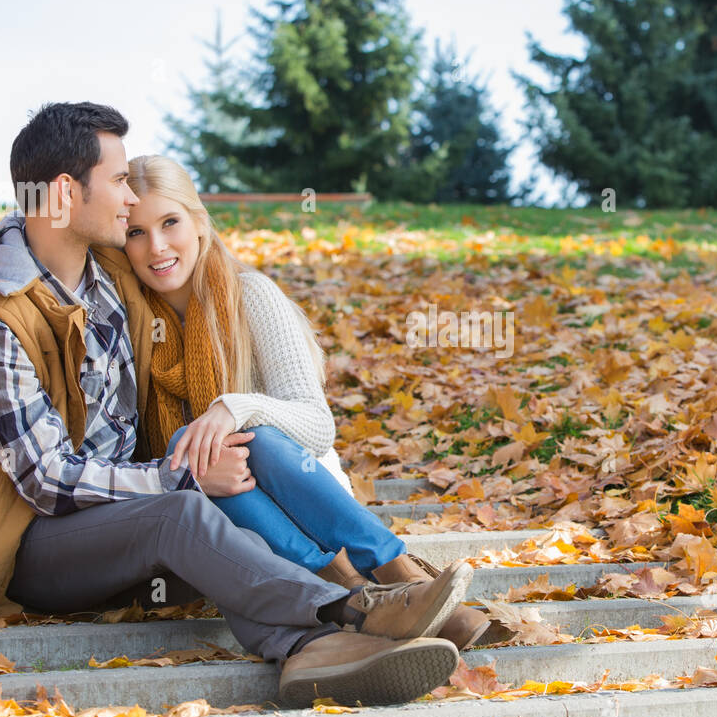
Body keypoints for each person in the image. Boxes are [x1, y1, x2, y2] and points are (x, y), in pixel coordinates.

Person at [0, 101, 470, 708]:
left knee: (231, 452)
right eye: (120, 180)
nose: (131, 200)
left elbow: (191, 274)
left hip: (128, 531)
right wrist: (179, 472)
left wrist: (221, 431)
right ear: (68, 192)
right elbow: (45, 481)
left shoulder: (109, 279)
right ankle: (354, 608)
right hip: (30, 547)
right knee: (179, 503)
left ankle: (309, 651)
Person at [104, 154, 490, 650]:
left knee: (251, 435)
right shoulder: (126, 322)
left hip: (305, 489)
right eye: (136, 232)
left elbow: (316, 425)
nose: (156, 246)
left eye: (170, 222)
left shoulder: (250, 295)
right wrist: (194, 471)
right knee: (191, 444)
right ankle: (369, 596)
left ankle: (395, 575)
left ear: (199, 222)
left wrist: (233, 407)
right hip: (213, 511)